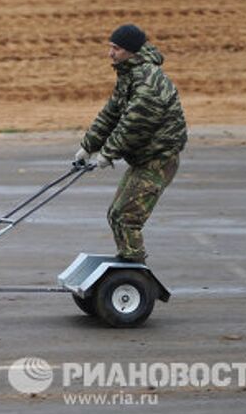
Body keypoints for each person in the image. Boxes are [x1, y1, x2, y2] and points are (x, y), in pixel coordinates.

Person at [74, 24, 187, 264]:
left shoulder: (149, 82)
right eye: (110, 47)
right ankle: (128, 264)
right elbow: (111, 114)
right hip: (144, 159)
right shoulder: (129, 75)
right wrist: (88, 146)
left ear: (132, 51)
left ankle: (134, 273)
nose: (110, 53)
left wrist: (107, 154)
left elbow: (134, 125)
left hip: (159, 160)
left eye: (116, 48)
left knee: (126, 217)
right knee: (116, 215)